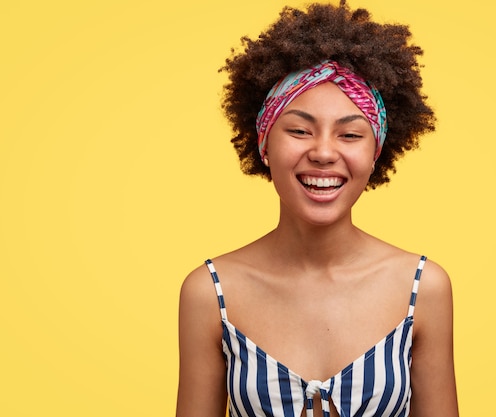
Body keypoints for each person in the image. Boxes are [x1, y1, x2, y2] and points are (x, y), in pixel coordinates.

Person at [176, 1, 458, 416]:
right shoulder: (209, 293)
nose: (324, 152)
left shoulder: (423, 288)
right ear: (264, 146)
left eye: (349, 134)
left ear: (376, 152)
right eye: (299, 130)